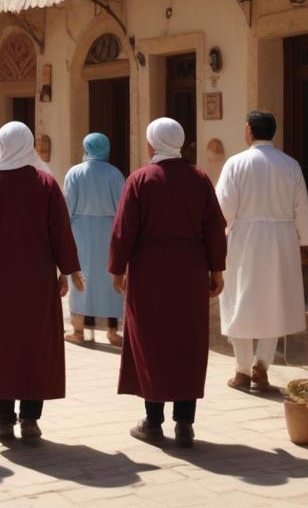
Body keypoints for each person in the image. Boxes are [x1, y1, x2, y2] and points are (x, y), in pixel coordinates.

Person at [0, 121, 83, 441]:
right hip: (37, 281)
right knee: (34, 346)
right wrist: (68, 269)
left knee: (0, 346)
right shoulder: (46, 184)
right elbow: (61, 232)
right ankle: (30, 419)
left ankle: (2, 420)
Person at [110, 118, 228, 447]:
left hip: (149, 270)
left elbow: (124, 229)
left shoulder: (140, 180)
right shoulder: (199, 179)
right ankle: (185, 423)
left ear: (152, 144)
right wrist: (216, 270)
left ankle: (153, 421)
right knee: (186, 341)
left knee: (152, 341)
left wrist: (117, 269)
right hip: (190, 270)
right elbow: (214, 227)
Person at [215, 110, 308, 393]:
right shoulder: (290, 165)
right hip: (281, 240)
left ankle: (242, 370)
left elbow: (224, 208)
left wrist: (217, 237)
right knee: (275, 300)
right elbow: (301, 207)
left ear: (248, 129)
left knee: (239, 301)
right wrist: (305, 239)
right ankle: (262, 366)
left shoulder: (236, 164)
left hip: (245, 239)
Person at [64, 133, 127, 346]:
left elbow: (68, 206)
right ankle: (112, 331)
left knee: (81, 277)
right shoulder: (115, 174)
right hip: (109, 231)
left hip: (80, 231)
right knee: (110, 279)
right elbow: (122, 208)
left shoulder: (74, 173)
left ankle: (79, 329)